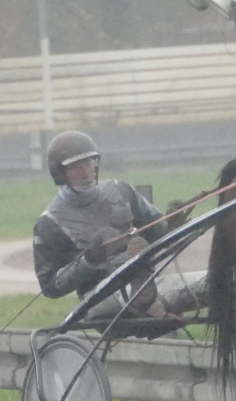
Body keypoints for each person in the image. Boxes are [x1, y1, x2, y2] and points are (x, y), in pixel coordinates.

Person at [32, 130, 202, 321]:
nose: (86, 172)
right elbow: (50, 288)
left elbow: (158, 234)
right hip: (98, 298)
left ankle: (144, 292)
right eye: (76, 166)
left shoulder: (121, 190)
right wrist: (88, 262)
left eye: (89, 162)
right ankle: (145, 302)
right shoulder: (49, 223)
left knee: (215, 281)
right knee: (133, 291)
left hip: (152, 283)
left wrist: (171, 225)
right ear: (60, 173)